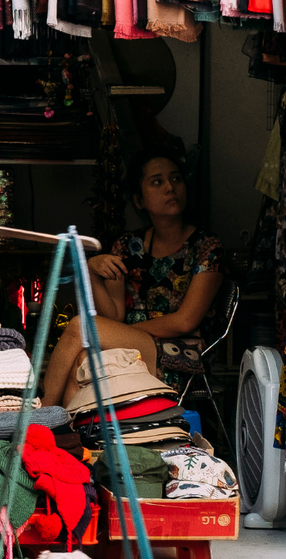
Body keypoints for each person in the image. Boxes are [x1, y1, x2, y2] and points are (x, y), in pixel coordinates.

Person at [39, 151, 225, 406]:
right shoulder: (128, 246)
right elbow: (113, 315)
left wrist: (118, 334)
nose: (170, 187)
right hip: (132, 348)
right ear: (139, 200)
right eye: (157, 182)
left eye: (176, 179)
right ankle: (69, 437)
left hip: (182, 356)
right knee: (83, 360)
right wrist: (91, 271)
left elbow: (185, 321)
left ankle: (37, 421)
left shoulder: (207, 247)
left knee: (81, 327)